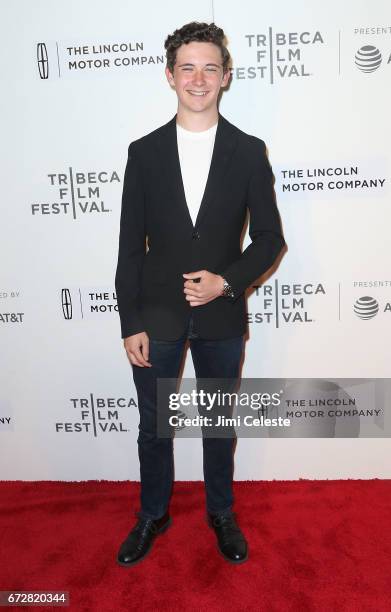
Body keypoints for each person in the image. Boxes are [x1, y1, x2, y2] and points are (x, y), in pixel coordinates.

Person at [115, 21, 286, 567]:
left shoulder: (247, 149)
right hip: (156, 315)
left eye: (210, 67)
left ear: (226, 76)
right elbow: (128, 249)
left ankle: (220, 511)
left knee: (218, 421)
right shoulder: (143, 153)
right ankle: (153, 514)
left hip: (222, 314)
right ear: (169, 76)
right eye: (187, 66)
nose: (198, 77)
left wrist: (227, 282)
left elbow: (270, 240)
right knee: (153, 425)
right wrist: (129, 321)